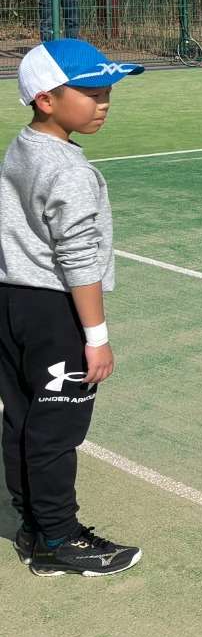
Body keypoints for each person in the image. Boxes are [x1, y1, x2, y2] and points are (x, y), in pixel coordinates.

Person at [0, 38, 144, 576]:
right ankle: (59, 540)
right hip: (53, 312)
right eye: (89, 92)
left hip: (10, 301)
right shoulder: (69, 171)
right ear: (46, 99)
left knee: (21, 421)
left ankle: (34, 526)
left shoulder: (21, 148)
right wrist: (97, 337)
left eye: (106, 91)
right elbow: (78, 257)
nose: (104, 101)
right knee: (56, 430)